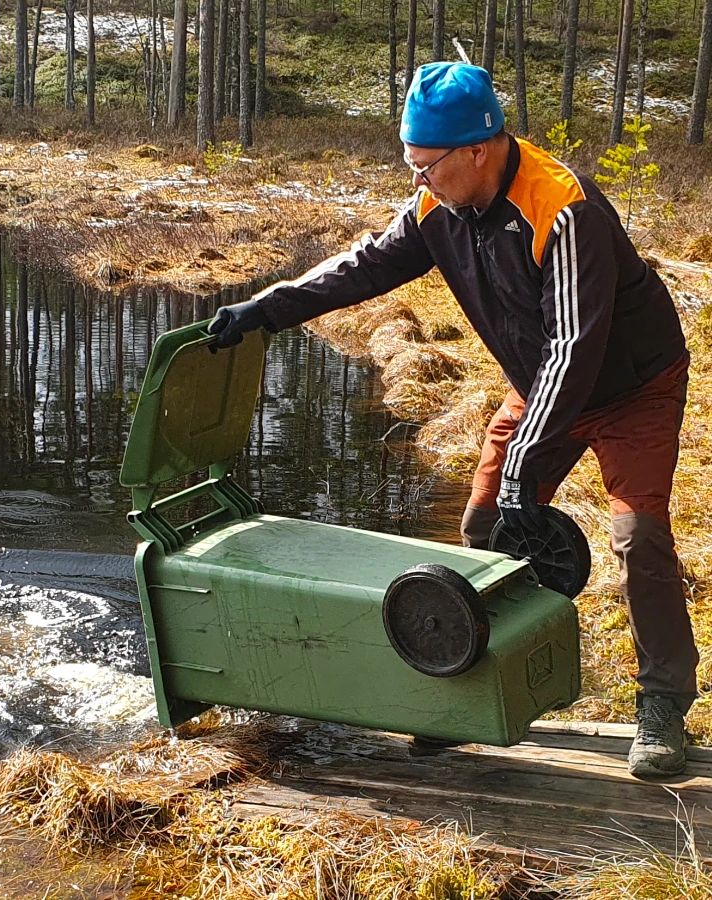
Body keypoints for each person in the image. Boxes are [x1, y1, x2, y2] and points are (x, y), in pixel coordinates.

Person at [209, 61, 697, 778]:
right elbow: (363, 267)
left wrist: (527, 463)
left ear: (478, 148)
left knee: (639, 535)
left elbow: (575, 344)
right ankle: (469, 689)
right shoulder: (441, 205)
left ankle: (663, 706)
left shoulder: (564, 210)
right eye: (410, 164)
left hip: (633, 390)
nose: (416, 180)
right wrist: (269, 307)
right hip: (544, 383)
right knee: (483, 532)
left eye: (425, 165)